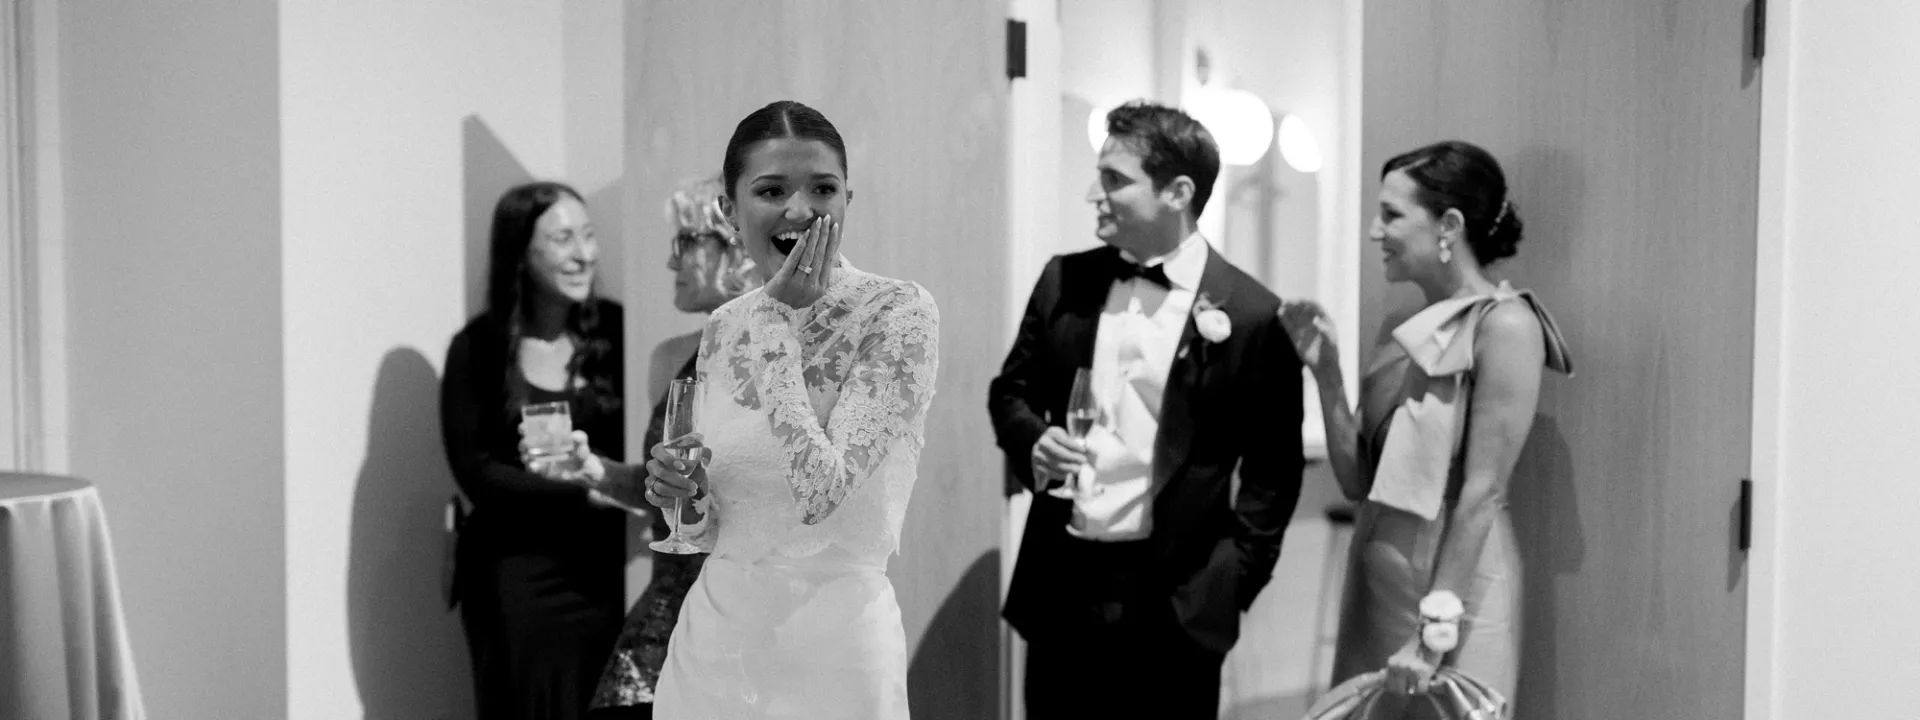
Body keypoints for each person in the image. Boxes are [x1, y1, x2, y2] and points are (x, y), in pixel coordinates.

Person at [547, 100, 940, 718]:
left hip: (834, 647)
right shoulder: (727, 325)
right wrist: (682, 492)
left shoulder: (897, 313)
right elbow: (714, 526)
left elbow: (822, 494)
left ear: (847, 201)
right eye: (771, 189)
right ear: (730, 211)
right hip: (714, 643)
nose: (799, 210)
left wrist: (776, 325)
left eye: (823, 188)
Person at [988, 100, 1306, 719]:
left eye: (1114, 178)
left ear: (1177, 191)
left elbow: (1274, 469)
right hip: (1063, 587)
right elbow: (1010, 392)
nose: (1094, 194)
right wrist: (1033, 441)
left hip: (1177, 605)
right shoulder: (1065, 280)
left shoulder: (1251, 314)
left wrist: (1232, 581)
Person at [1278, 140, 1574, 714]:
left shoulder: (1506, 325)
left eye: (1391, 214)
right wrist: (1327, 376)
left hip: (1456, 595)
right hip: (1375, 583)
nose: (1374, 230)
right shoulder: (1398, 324)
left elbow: (1482, 491)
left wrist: (1432, 630)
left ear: (1449, 224)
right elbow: (1357, 481)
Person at [440, 181, 627, 720]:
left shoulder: (616, 330)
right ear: (521, 252)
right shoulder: (477, 348)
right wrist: (583, 497)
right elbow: (475, 471)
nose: (584, 254)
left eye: (589, 236)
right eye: (564, 238)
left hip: (604, 570)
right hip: (514, 573)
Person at [583, 175, 760, 719]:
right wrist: (598, 471)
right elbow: (665, 490)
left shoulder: (786, 356)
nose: (670, 262)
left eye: (686, 242)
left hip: (752, 613)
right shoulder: (668, 359)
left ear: (736, 246)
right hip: (668, 615)